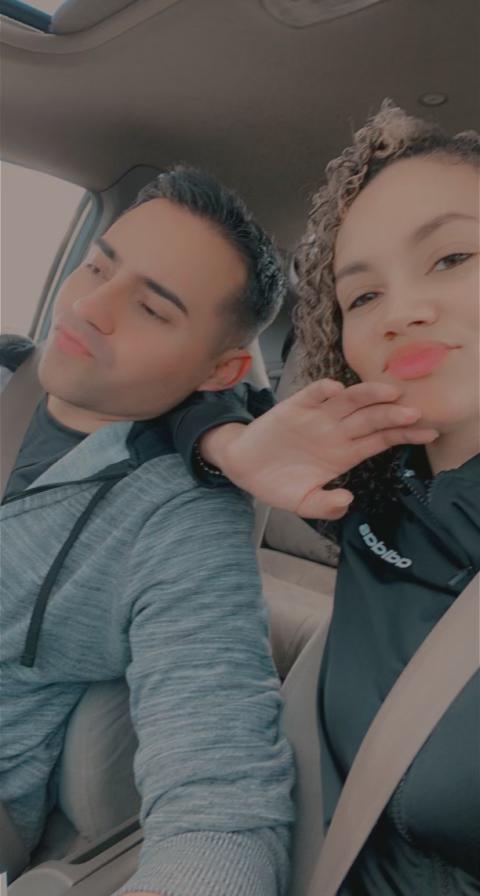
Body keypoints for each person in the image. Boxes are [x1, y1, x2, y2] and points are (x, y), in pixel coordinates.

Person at [168, 104, 480, 894]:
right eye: (362, 297)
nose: (400, 312)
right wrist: (232, 449)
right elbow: (176, 400)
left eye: (452, 257)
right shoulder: (368, 488)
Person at [1, 167, 299, 896]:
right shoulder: (10, 375)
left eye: (152, 308)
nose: (89, 307)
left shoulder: (180, 517)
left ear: (221, 370)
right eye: (99, 267)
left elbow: (221, 802)